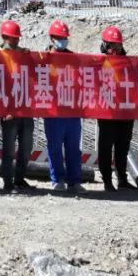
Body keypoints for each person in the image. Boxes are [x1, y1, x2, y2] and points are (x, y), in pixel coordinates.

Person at [43, 20, 84, 193]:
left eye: (65, 38)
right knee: (54, 147)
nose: (63, 40)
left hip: (71, 110)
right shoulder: (43, 59)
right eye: (59, 38)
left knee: (74, 148)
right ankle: (57, 179)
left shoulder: (73, 58)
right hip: (53, 111)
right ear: (52, 39)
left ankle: (74, 181)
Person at [97, 26, 135, 192]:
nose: (115, 49)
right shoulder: (97, 62)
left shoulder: (129, 62)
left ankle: (122, 179)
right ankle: (107, 180)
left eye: (118, 45)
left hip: (125, 112)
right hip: (107, 111)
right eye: (112, 45)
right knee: (105, 147)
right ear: (105, 45)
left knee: (122, 146)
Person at [0, 20, 34, 192]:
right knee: (9, 149)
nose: (16, 41)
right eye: (13, 39)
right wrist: (4, 110)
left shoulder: (22, 55)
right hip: (8, 109)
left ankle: (19, 178)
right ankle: (8, 181)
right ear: (4, 37)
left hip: (24, 107)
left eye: (17, 38)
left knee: (26, 147)